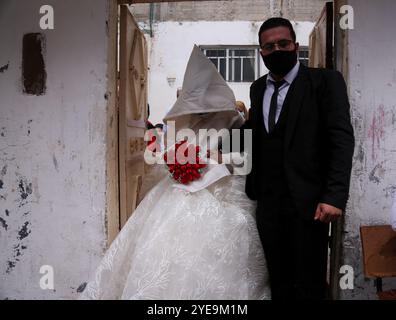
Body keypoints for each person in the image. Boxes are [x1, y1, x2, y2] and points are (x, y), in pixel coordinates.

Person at [79, 45, 270, 300]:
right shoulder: (188, 121)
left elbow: (245, 161)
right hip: (181, 191)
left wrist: (216, 158)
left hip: (223, 196)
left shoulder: (236, 122)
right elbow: (171, 149)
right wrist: (177, 160)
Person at [242, 17, 355, 300]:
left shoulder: (324, 82)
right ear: (261, 53)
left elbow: (341, 139)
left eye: (283, 43)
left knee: (309, 284)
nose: (277, 50)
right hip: (267, 202)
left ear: (296, 45)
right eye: (269, 46)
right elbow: (252, 132)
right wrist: (207, 146)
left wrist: (334, 196)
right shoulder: (257, 88)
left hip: (308, 203)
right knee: (278, 281)